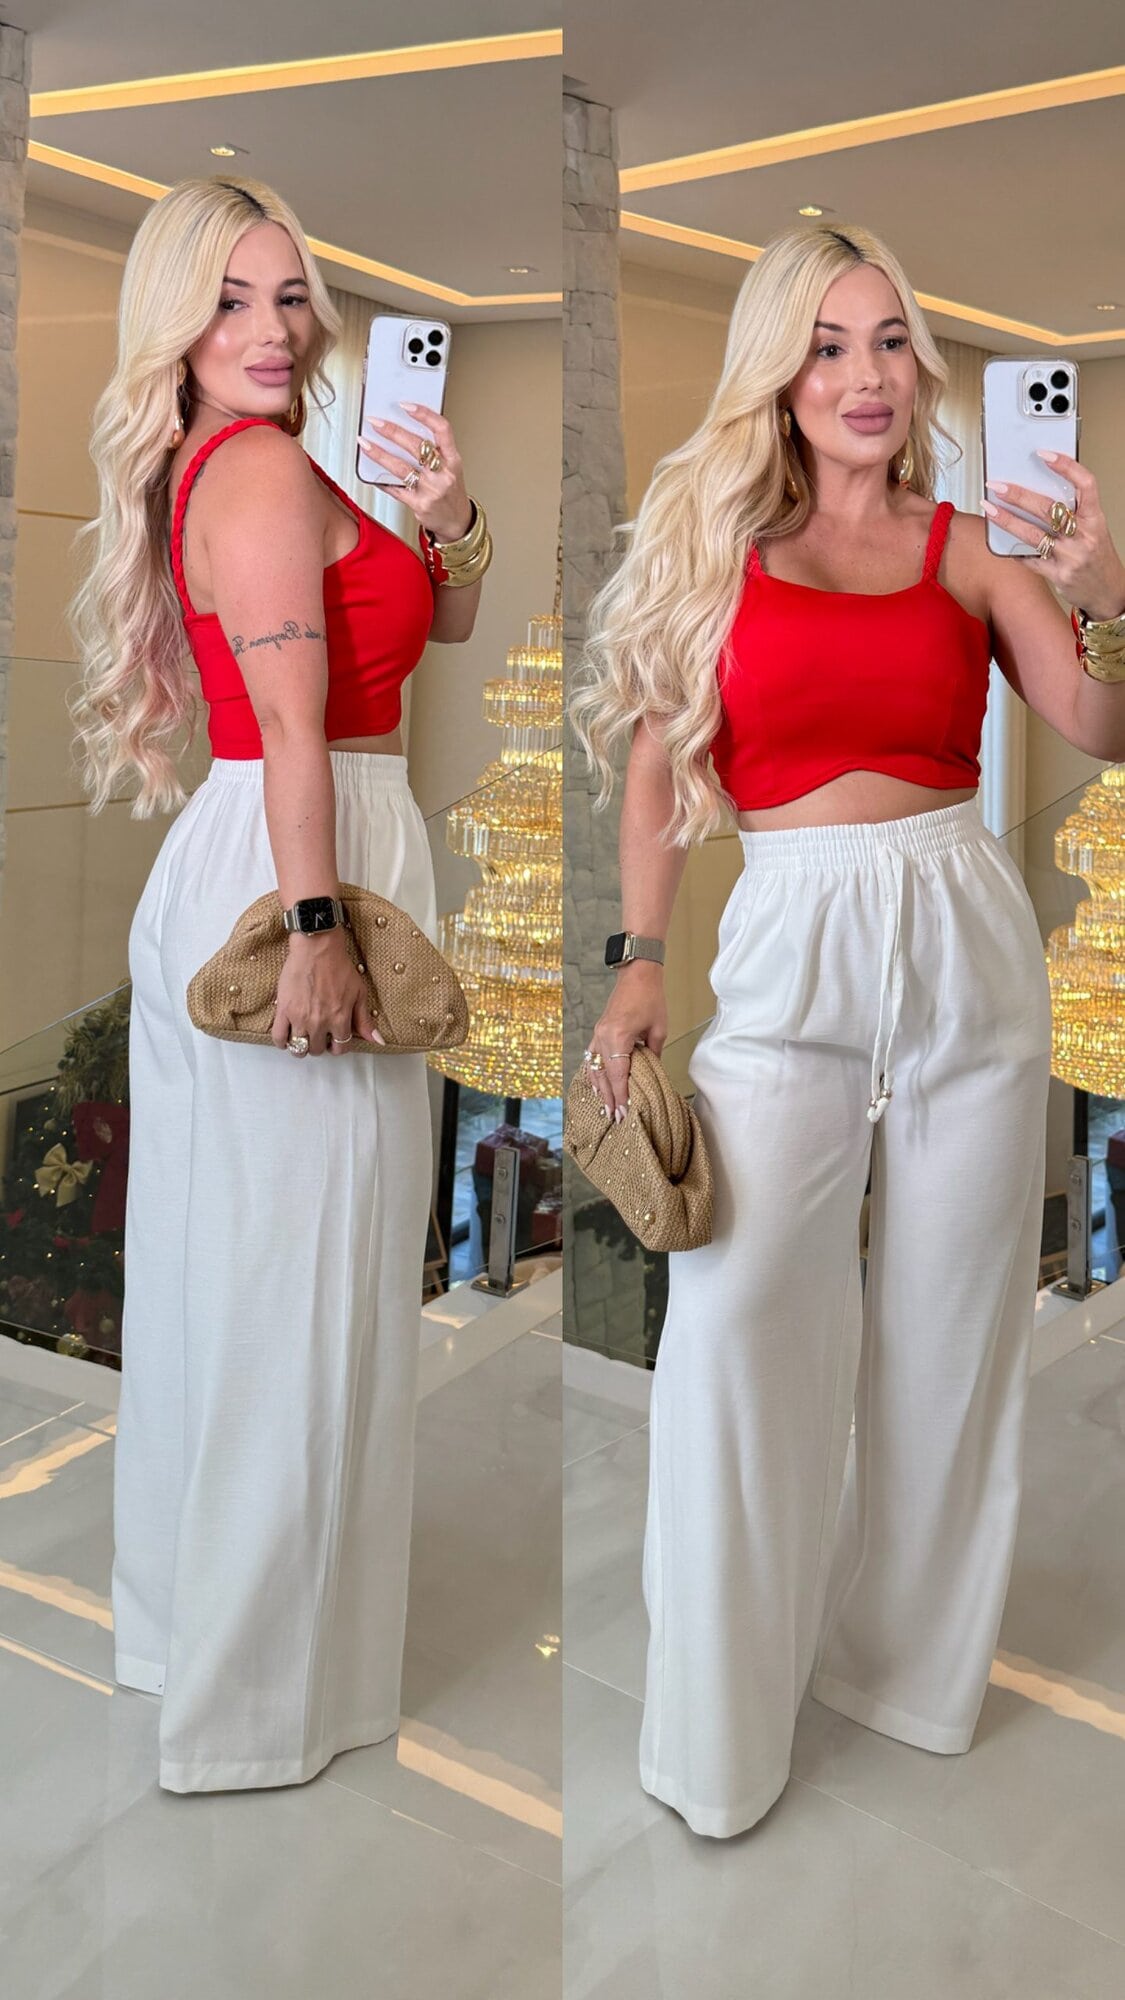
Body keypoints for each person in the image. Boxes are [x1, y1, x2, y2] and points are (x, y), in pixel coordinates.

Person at [569, 221, 1125, 1839]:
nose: (864, 376)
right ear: (777, 371)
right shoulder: (712, 547)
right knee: (739, 1326)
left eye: (888, 341)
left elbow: (1095, 722)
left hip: (962, 933)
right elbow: (657, 770)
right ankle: (718, 1729)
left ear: (920, 367)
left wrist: (1103, 595)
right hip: (791, 939)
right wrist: (638, 963)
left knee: (953, 1333)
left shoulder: (974, 550)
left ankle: (906, 1677)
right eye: (826, 345)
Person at [67, 175, 492, 1793]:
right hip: (295, 865)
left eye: (289, 295)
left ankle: (200, 1647)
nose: (269, 328)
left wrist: (448, 515)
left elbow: (434, 629)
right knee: (293, 1296)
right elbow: (303, 728)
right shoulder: (250, 473)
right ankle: (252, 1708)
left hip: (290, 852)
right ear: (175, 325)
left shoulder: (281, 461)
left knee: (243, 1280)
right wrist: (318, 926)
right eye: (231, 300)